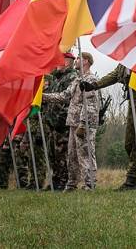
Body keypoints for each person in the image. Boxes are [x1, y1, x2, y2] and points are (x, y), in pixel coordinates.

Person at [82, 63, 136, 190]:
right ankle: (131, 180)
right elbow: (115, 75)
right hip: (133, 102)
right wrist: (95, 86)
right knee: (130, 143)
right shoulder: (126, 58)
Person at [45, 51, 100, 191]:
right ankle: (71, 184)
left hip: (84, 123)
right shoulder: (77, 80)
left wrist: (83, 123)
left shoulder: (91, 80)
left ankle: (90, 184)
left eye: (79, 59)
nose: (75, 60)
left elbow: (91, 104)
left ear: (86, 61)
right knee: (72, 155)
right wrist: (43, 96)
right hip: (73, 122)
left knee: (86, 153)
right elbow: (64, 95)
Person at [41, 52, 78, 191]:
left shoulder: (72, 77)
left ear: (69, 61)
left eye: (61, 61)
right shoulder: (57, 78)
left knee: (63, 154)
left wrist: (60, 119)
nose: (58, 64)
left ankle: (64, 181)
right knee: (53, 153)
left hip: (62, 123)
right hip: (52, 122)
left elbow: (66, 99)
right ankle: (55, 180)